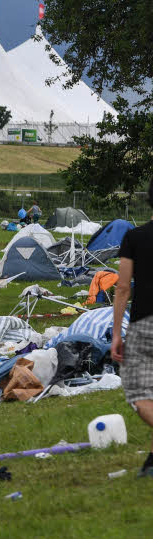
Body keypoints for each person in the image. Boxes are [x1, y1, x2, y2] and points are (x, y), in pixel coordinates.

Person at [112, 177, 153, 477]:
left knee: (139, 395)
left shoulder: (134, 237)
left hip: (144, 324)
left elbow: (122, 288)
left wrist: (116, 332)